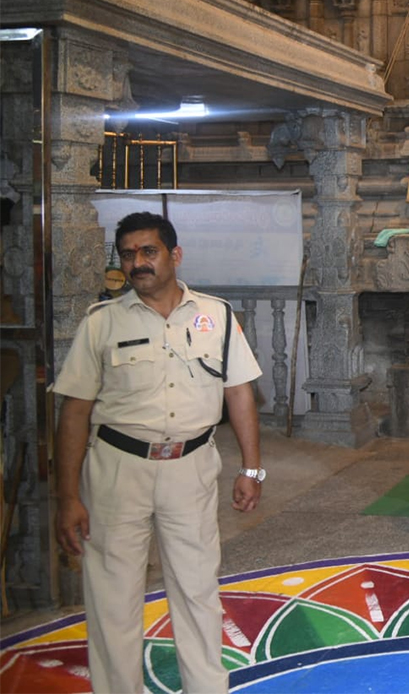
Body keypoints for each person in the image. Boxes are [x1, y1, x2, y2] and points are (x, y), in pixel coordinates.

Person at [53, 212, 264, 694]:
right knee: (112, 596)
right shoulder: (101, 323)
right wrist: (67, 496)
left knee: (196, 589)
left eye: (148, 252)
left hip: (190, 468)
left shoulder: (217, 317)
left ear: (174, 255)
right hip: (116, 469)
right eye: (128, 254)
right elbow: (74, 412)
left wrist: (252, 469)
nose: (138, 263)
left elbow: (240, 394)